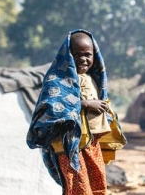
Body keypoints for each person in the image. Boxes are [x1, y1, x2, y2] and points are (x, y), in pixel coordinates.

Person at [27, 29, 112, 195]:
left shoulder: (93, 78)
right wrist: (84, 104)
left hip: (90, 144)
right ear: (67, 55)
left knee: (97, 185)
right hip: (69, 146)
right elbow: (51, 108)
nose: (83, 59)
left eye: (87, 54)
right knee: (78, 187)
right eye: (76, 54)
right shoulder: (57, 79)